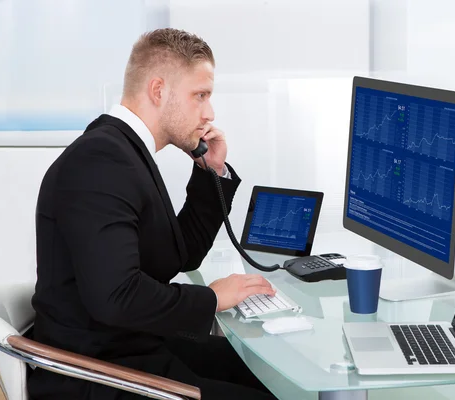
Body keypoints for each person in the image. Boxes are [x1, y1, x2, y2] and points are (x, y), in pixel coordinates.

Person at [26, 28, 278, 400]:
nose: (210, 112)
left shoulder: (126, 151)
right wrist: (210, 299)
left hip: (131, 347)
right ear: (159, 91)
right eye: (200, 96)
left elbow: (180, 254)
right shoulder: (101, 160)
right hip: (99, 373)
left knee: (267, 374)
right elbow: (117, 297)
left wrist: (211, 172)